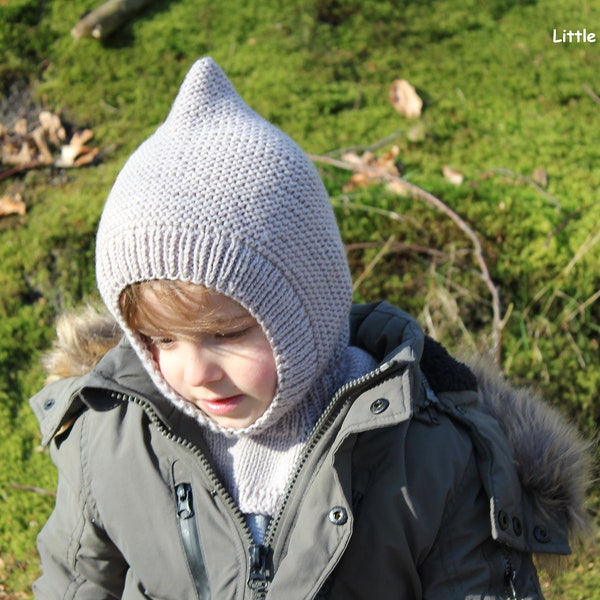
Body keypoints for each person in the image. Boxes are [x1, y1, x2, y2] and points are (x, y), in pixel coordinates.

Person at [30, 57, 593, 599]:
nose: (192, 372)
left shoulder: (426, 457)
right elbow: (75, 583)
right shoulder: (110, 438)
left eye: (226, 334)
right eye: (161, 339)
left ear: (307, 312)